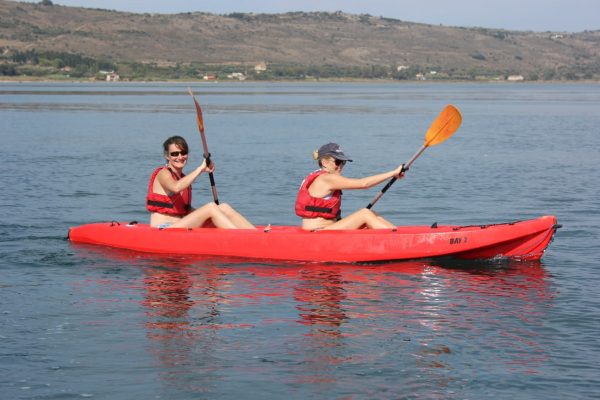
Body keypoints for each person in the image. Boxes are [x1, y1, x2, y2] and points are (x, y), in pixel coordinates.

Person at [147, 136, 255, 229]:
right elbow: (176, 187)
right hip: (163, 227)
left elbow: (187, 211)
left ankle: (256, 234)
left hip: (181, 223)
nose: (180, 157)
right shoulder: (163, 173)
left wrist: (215, 213)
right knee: (211, 207)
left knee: (223, 207)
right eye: (175, 154)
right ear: (167, 156)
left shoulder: (183, 178)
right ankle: (241, 238)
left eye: (183, 153)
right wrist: (200, 169)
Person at [295, 142, 406, 230]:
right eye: (338, 162)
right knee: (365, 214)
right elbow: (364, 184)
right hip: (319, 231)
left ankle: (395, 231)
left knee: (371, 213)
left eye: (343, 162)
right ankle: (398, 241)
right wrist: (393, 173)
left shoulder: (321, 176)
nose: (341, 166)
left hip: (327, 228)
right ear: (324, 162)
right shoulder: (327, 178)